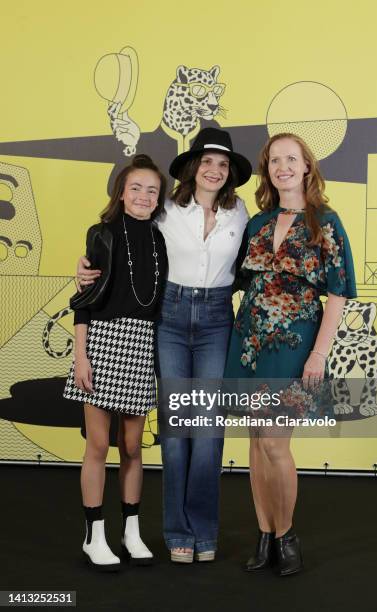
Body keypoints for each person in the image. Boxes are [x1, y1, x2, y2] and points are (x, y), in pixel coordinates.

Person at [77, 127, 252, 563]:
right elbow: (120, 240)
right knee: (175, 433)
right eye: (207, 162)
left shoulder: (241, 213)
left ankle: (204, 533)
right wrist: (84, 269)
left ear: (229, 174)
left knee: (208, 433)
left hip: (216, 318)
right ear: (193, 168)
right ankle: (177, 532)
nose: (214, 170)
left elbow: (251, 267)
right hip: (170, 318)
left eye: (223, 164)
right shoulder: (167, 209)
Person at [224, 133, 356, 575]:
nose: (282, 166)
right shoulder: (257, 224)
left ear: (306, 167)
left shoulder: (326, 223)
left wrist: (319, 354)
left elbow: (337, 294)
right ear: (268, 170)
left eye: (290, 159)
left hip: (297, 345)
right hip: (249, 343)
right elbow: (228, 277)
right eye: (274, 159)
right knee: (257, 442)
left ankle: (287, 534)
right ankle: (264, 533)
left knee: (277, 444)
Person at [63, 154, 168, 571]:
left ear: (159, 199)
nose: (143, 196)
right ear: (121, 192)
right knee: (96, 445)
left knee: (131, 447)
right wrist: (80, 354)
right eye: (136, 188)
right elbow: (86, 299)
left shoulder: (160, 240)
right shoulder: (102, 234)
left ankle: (131, 531)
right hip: (103, 341)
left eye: (152, 190)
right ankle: (94, 534)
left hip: (142, 342)